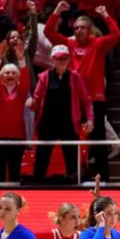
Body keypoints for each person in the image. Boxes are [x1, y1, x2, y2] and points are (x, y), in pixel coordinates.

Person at [45, 2, 120, 182]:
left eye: (83, 28)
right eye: (76, 28)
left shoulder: (98, 44)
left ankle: (103, 178)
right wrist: (57, 11)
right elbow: (48, 32)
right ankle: (74, 175)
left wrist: (105, 14)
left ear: (90, 30)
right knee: (70, 137)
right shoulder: (69, 43)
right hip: (73, 99)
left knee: (98, 139)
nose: (79, 30)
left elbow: (116, 34)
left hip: (95, 100)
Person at [27, 44, 93, 182]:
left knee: (72, 159)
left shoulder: (75, 77)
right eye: (58, 58)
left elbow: (86, 100)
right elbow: (36, 99)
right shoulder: (44, 77)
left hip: (68, 122)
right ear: (52, 59)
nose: (61, 61)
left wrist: (90, 119)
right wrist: (32, 103)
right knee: (42, 157)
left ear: (68, 59)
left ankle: (74, 184)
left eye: (64, 58)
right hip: (47, 122)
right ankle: (38, 184)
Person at [0, 43, 31, 182]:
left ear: (18, 78)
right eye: (7, 73)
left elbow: (26, 79)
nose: (10, 75)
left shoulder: (22, 92)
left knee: (14, 174)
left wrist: (21, 59)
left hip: (17, 137)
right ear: (1, 77)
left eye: (13, 73)